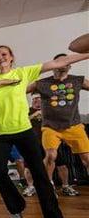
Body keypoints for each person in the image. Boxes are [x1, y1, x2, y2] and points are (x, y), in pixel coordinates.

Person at [0, 45, 89, 218]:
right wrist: (1, 83)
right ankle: (16, 206)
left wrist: (86, 54)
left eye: (4, 54)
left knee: (39, 173)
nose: (0, 57)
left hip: (23, 131)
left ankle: (53, 217)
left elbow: (61, 62)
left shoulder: (24, 72)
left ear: (11, 57)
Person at [27, 53, 89, 195]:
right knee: (50, 156)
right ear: (53, 65)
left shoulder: (78, 80)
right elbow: (19, 91)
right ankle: (48, 186)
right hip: (50, 127)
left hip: (74, 126)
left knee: (87, 159)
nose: (63, 65)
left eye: (66, 63)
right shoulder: (41, 84)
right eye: (60, 63)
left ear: (70, 65)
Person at [22, 94, 72, 197]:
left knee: (61, 164)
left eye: (39, 99)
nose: (37, 101)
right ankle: (31, 187)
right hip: (33, 143)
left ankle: (65, 186)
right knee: (29, 166)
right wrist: (34, 115)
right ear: (32, 100)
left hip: (51, 143)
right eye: (35, 99)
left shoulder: (50, 110)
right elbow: (20, 123)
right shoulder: (25, 111)